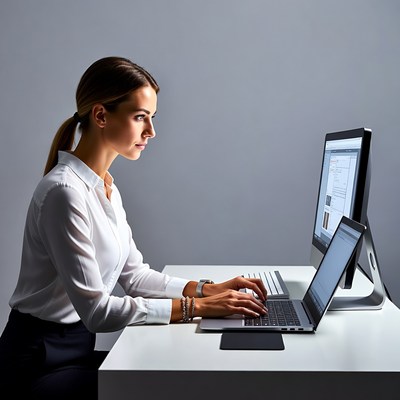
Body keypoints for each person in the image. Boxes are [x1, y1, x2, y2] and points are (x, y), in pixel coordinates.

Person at [0, 56, 268, 399]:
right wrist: (196, 309)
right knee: (163, 387)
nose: (151, 132)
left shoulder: (105, 188)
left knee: (170, 372)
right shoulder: (64, 193)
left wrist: (205, 290)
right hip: (38, 362)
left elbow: (135, 276)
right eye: (140, 117)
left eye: (152, 118)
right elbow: (97, 312)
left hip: (75, 348)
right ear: (100, 115)